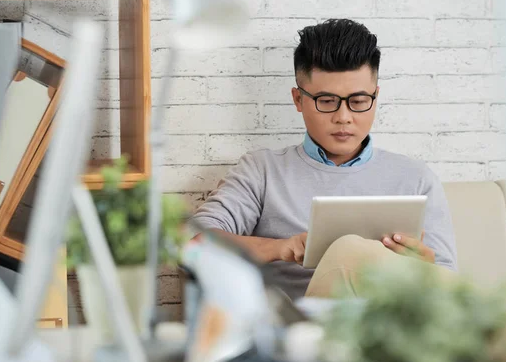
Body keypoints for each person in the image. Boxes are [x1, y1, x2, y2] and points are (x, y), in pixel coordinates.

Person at [191, 18, 457, 300]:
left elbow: (448, 283)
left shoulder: (415, 178)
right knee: (347, 249)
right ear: (298, 100)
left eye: (358, 101)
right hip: (306, 332)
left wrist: (422, 264)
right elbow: (192, 244)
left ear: (375, 97)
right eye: (327, 101)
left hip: (391, 329)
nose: (343, 117)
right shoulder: (263, 170)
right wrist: (281, 248)